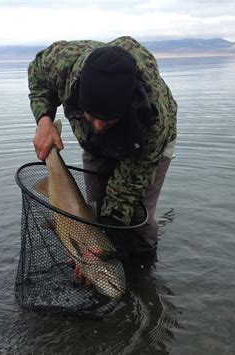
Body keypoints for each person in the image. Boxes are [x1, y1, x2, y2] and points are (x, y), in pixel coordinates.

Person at [28, 36, 177, 260]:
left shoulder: (154, 121)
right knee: (94, 211)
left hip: (142, 147)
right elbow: (36, 72)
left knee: (136, 220)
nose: (98, 126)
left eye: (107, 120)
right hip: (96, 147)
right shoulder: (61, 64)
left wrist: (109, 240)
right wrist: (44, 119)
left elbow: (126, 193)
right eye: (92, 116)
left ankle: (143, 272)